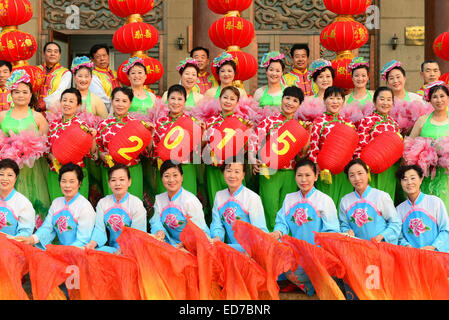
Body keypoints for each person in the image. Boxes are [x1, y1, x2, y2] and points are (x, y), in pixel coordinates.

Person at [270, 159, 340, 296]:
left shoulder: (324, 200)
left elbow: (332, 231)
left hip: (316, 254)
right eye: (299, 175)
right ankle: (297, 282)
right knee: (273, 249)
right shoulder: (289, 198)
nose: (303, 180)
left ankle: (310, 282)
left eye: (307, 175)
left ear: (316, 176)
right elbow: (282, 222)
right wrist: (278, 232)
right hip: (296, 252)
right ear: (295, 176)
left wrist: (317, 251)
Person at [249, 86, 306, 232]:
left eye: (295, 100)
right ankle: (269, 245)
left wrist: (308, 134)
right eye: (287, 98)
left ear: (299, 105)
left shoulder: (299, 126)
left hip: (289, 173)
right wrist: (252, 159)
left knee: (288, 210)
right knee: (269, 209)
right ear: (282, 99)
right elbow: (254, 139)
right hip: (268, 171)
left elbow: (302, 154)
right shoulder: (270, 121)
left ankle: (287, 244)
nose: (290, 103)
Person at [0, 70, 50, 221]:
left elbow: (45, 144)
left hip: (33, 169)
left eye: (24, 92)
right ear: (11, 94)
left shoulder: (38, 117)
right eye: (16, 92)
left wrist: (29, 150)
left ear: (30, 95)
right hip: (7, 168)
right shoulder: (2, 115)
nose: (21, 95)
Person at [16, 163, 96, 249]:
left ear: (79, 183)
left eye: (72, 181)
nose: (67, 185)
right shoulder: (56, 203)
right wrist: (32, 239)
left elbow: (83, 240)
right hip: (61, 251)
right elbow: (47, 228)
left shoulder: (85, 207)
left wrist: (63, 252)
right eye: (63, 181)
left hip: (79, 252)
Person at [96, 87, 151, 200]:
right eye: (117, 100)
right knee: (111, 207)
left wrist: (150, 133)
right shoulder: (103, 124)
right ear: (112, 101)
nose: (120, 104)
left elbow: (146, 151)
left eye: (124, 101)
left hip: (132, 170)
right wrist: (101, 156)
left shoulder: (137, 125)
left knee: (134, 205)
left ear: (130, 103)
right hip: (110, 171)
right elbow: (97, 147)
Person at [203, 86, 253, 206]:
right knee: (216, 202)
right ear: (219, 99)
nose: (228, 101)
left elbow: (245, 148)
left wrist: (249, 132)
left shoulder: (242, 122)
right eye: (225, 97)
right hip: (214, 168)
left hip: (234, 168)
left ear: (237, 102)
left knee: (238, 203)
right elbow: (204, 146)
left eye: (232, 99)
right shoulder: (209, 121)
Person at [46, 88, 97, 201]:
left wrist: (93, 138)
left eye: (71, 101)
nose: (67, 104)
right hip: (56, 173)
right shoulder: (53, 124)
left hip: (76, 174)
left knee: (77, 211)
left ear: (78, 105)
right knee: (57, 210)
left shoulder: (82, 126)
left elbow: (90, 153)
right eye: (64, 100)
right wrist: (52, 157)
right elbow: (47, 149)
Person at [308, 86, 354, 207]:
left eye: (338, 98)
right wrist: (316, 166)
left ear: (343, 101)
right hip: (325, 170)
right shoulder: (318, 122)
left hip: (344, 170)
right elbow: (314, 145)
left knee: (345, 202)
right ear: (324, 100)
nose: (335, 102)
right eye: (331, 98)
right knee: (326, 202)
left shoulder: (348, 123)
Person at [153, 84, 203, 195]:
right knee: (165, 205)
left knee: (187, 203)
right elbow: (155, 146)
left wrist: (201, 132)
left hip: (186, 167)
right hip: (165, 169)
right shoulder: (160, 122)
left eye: (180, 99)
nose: (176, 102)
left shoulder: (192, 122)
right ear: (167, 100)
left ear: (185, 102)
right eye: (173, 98)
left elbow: (197, 151)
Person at [86, 164, 147, 253]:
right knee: (93, 252)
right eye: (113, 180)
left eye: (122, 179)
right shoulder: (103, 203)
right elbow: (99, 229)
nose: (117, 183)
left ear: (129, 182)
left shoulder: (136, 204)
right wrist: (91, 244)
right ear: (109, 183)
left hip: (133, 249)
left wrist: (123, 250)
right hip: (112, 250)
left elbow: (137, 235)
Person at [339, 159, 402, 244]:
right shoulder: (345, 201)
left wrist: (382, 236)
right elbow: (344, 225)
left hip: (380, 247)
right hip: (357, 249)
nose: (357, 178)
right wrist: (347, 231)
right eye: (352, 175)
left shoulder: (381, 196)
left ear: (367, 173)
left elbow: (395, 223)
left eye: (360, 173)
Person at [150, 160, 210, 247]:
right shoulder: (159, 199)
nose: (171, 180)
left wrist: (185, 243)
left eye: (175, 175)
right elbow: (155, 221)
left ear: (182, 177)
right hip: (169, 244)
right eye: (166, 176)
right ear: (161, 178)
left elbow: (199, 230)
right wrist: (159, 231)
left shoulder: (189, 201)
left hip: (192, 245)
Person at [210, 161, 268, 252]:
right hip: (231, 249)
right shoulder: (219, 196)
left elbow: (260, 230)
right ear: (223, 172)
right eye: (228, 171)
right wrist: (217, 237)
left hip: (251, 250)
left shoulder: (252, 198)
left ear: (243, 175)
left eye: (237, 172)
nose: (232, 175)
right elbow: (216, 225)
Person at [355, 87, 401, 201]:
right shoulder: (366, 121)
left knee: (387, 199)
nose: (385, 103)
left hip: (390, 168)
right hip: (370, 168)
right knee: (371, 200)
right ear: (375, 102)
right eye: (382, 99)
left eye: (389, 99)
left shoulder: (394, 123)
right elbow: (360, 145)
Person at [409, 81, 449, 211]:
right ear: (429, 100)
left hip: (446, 175)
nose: (439, 100)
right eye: (435, 97)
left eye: (442, 96)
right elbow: (409, 144)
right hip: (425, 175)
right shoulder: (422, 120)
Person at [396, 164, 449, 252]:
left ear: (421, 179)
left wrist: (434, 247)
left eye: (413, 178)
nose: (409, 182)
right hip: (411, 258)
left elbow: (446, 229)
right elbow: (398, 235)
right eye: (404, 179)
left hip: (435, 256)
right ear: (401, 183)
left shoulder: (435, 202)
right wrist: (406, 245)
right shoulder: (399, 210)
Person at [0, 159, 35, 237]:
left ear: (16, 178)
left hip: (11, 246)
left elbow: (25, 232)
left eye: (10, 175)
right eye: (1, 174)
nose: (5, 179)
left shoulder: (23, 203)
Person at [37, 42, 72, 112]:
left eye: (56, 52)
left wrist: (45, 104)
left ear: (59, 55)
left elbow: (61, 92)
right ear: (44, 54)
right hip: (33, 111)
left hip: (54, 113)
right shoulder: (35, 70)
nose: (52, 54)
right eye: (49, 51)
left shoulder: (65, 73)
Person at [89, 44, 121, 111]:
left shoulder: (115, 73)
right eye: (98, 57)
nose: (102, 59)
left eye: (104, 55)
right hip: (104, 112)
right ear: (92, 59)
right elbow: (101, 97)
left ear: (108, 56)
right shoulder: (92, 76)